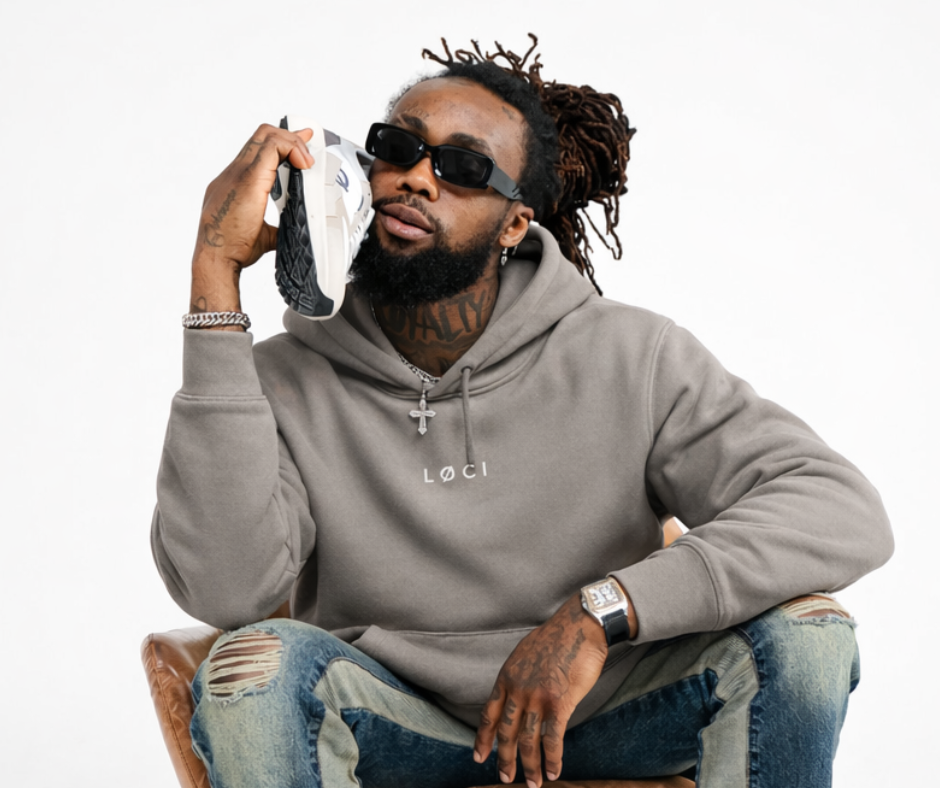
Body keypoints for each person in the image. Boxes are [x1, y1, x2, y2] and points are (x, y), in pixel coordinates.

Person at [152, 36, 893, 788]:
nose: (417, 178)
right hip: (394, 723)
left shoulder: (630, 354)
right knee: (254, 669)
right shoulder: (277, 381)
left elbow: (838, 509)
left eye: (464, 168)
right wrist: (215, 272)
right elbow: (226, 591)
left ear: (514, 225)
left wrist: (601, 612)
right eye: (398, 148)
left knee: (808, 635)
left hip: (608, 711)